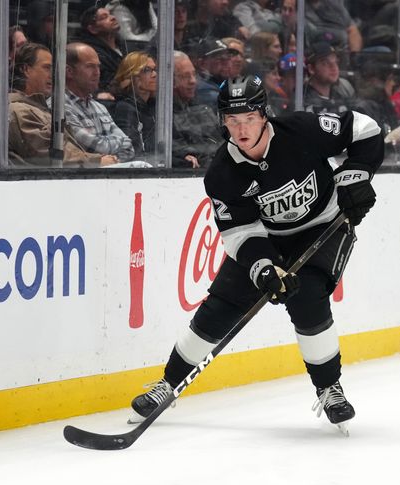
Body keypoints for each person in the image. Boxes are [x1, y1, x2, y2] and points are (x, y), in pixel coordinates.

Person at [128, 74, 383, 431]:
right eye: (233, 121)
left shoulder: (302, 130)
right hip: (268, 239)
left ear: (264, 115)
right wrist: (264, 268)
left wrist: (355, 176)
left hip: (323, 226)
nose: (241, 129)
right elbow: (240, 232)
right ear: (223, 122)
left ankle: (329, 388)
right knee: (220, 307)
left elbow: (366, 128)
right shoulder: (222, 173)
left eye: (248, 118)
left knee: (307, 295)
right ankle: (167, 385)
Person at [8, 42, 115, 167]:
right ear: (25, 69)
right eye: (47, 68)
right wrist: (96, 161)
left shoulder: (40, 108)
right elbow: (49, 155)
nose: (52, 74)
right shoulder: (19, 109)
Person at [64, 42, 135, 162]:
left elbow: (129, 147)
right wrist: (113, 149)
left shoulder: (99, 107)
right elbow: (93, 148)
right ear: (69, 71)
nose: (97, 72)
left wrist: (111, 160)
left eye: (98, 66)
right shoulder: (60, 108)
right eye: (90, 66)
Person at [172, 49, 224, 167]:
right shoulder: (164, 114)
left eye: (193, 74)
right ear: (170, 80)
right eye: (185, 76)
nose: (193, 81)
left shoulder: (202, 108)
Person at [108, 50, 156, 157]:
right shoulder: (125, 108)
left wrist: (182, 156)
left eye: (155, 70)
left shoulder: (155, 106)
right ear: (133, 76)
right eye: (147, 70)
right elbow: (133, 148)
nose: (155, 75)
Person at [77, 6, 124, 95]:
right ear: (93, 29)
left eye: (110, 14)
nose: (113, 18)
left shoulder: (124, 47)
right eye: (104, 17)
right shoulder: (91, 53)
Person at [303, 41, 355, 115]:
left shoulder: (342, 94)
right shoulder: (302, 100)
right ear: (311, 69)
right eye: (325, 63)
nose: (334, 67)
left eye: (335, 62)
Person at [193, 37, 233, 106]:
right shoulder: (205, 92)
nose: (227, 63)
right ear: (202, 64)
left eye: (228, 57)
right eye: (220, 59)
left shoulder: (223, 84)